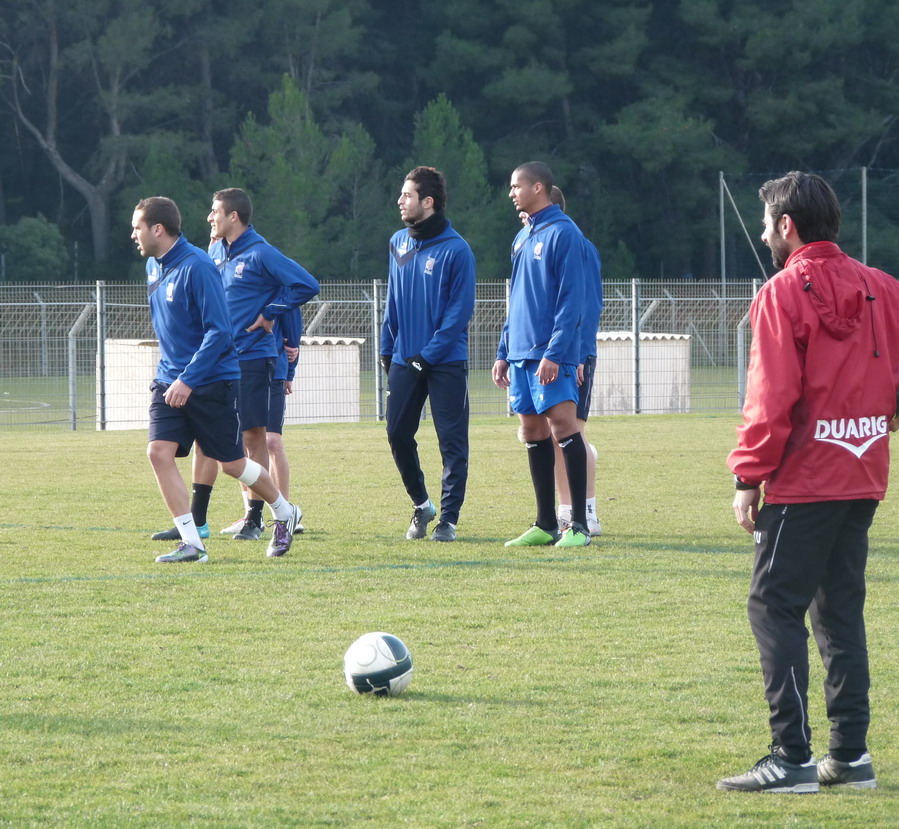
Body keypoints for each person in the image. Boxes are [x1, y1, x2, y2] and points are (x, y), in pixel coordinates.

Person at [717, 171, 899, 793]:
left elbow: (770, 398)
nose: (765, 231)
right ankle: (850, 757)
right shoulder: (885, 289)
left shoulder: (779, 293)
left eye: (767, 222)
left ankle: (790, 757)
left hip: (804, 481)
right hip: (864, 471)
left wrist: (749, 476)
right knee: (840, 613)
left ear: (786, 226)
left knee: (774, 607)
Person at [132, 196, 302, 562]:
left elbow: (219, 333)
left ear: (157, 229)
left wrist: (189, 379)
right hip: (169, 379)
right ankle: (193, 543)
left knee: (232, 464)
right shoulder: (151, 266)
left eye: (137, 227)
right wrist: (172, 375)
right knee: (158, 452)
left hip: (210, 381)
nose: (134, 234)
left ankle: (285, 512)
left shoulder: (198, 266)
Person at [493, 162, 592, 548]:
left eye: (516, 186)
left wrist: (556, 351)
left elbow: (573, 301)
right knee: (532, 432)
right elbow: (516, 299)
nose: (511, 193)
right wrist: (504, 350)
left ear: (538, 188)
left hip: (550, 354)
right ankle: (545, 523)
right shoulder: (521, 238)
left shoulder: (565, 234)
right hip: (519, 354)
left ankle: (579, 526)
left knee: (565, 428)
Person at [380, 166, 476, 542]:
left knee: (451, 441)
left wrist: (429, 354)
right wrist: (389, 350)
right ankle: (422, 505)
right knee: (396, 433)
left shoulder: (457, 250)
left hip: (446, 361)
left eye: (407, 195)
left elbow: (459, 312)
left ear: (428, 202)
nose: (400, 200)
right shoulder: (398, 243)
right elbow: (392, 302)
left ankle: (448, 520)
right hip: (405, 357)